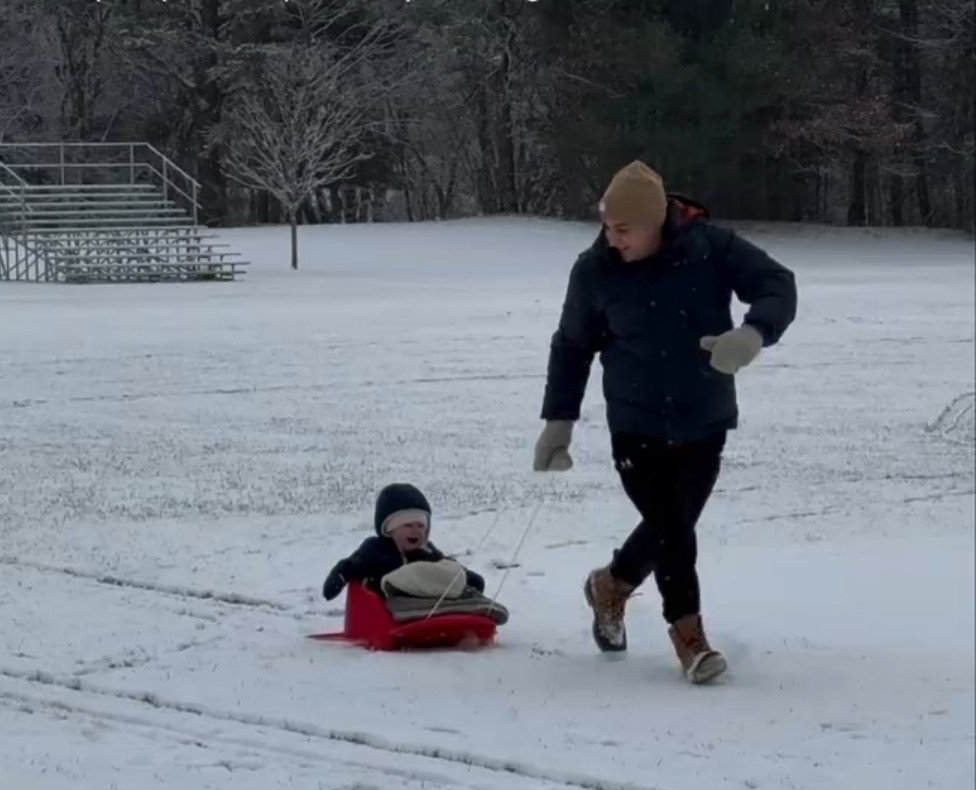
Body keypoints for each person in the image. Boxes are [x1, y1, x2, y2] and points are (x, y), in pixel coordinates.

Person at [534, 161, 796, 682]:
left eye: (624, 228)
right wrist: (558, 421)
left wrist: (753, 334)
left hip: (705, 416)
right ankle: (688, 635)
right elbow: (572, 345)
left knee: (671, 524)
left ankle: (612, 584)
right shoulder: (594, 270)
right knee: (672, 529)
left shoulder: (711, 249)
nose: (613, 238)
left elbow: (777, 284)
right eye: (608, 227)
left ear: (656, 222)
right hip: (635, 421)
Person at [322, 483, 509, 624]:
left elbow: (443, 565)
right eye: (408, 525)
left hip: (425, 603)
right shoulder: (376, 549)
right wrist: (339, 577)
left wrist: (466, 578)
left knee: (437, 573)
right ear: (389, 530)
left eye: (421, 526)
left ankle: (467, 612)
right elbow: (353, 564)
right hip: (386, 609)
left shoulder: (427, 550)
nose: (416, 531)